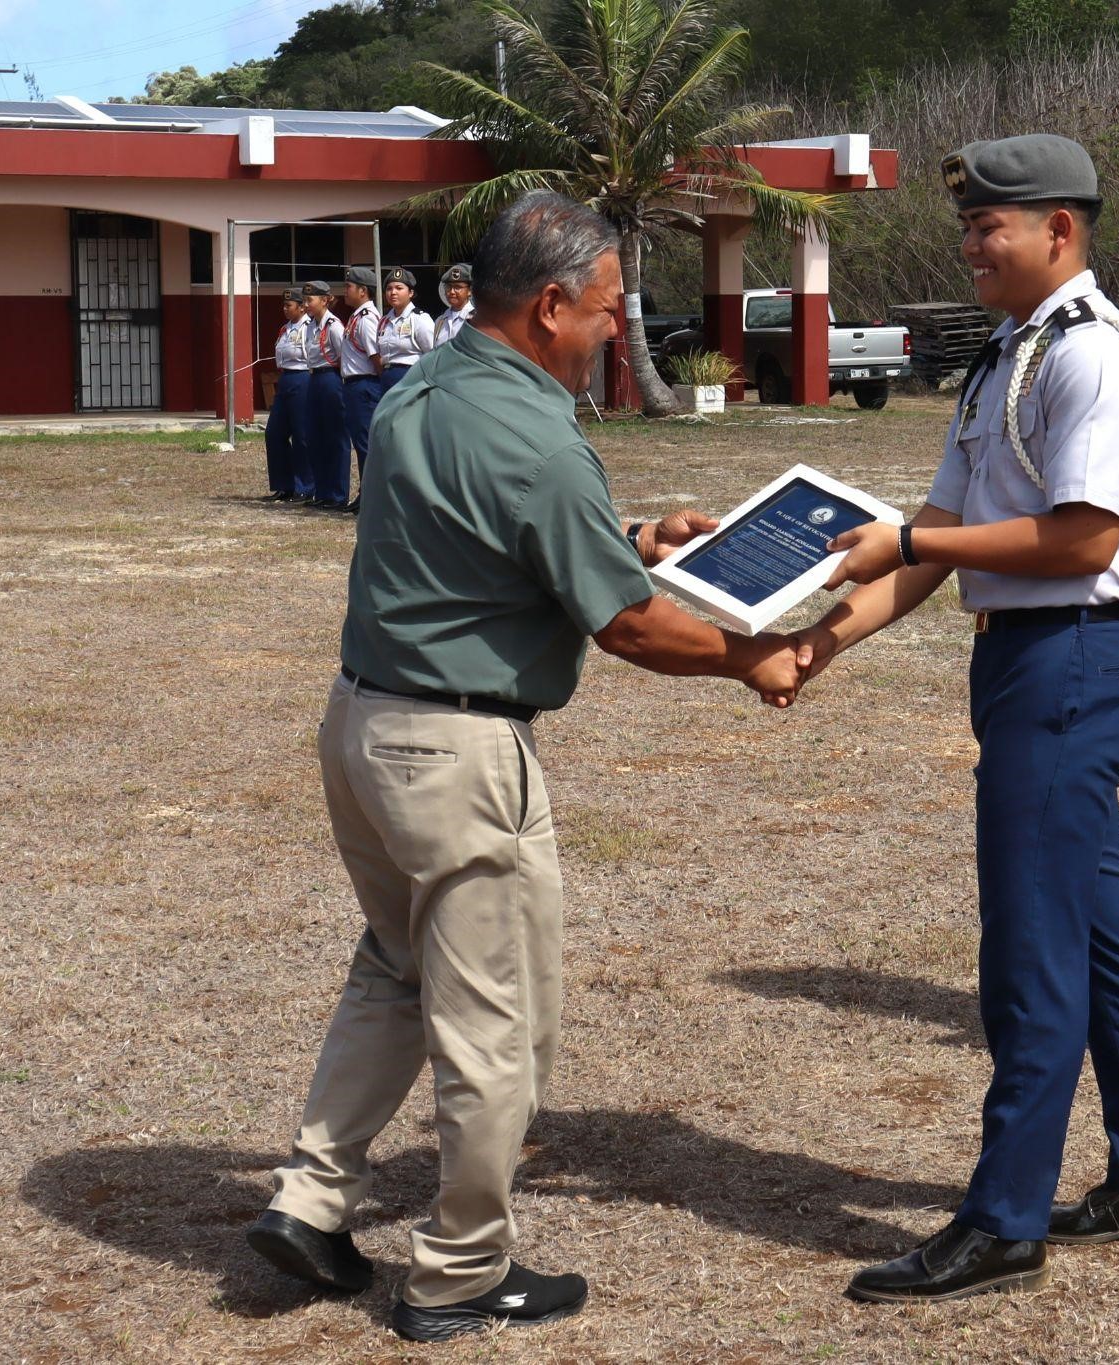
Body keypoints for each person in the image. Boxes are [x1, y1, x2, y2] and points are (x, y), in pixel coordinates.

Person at [244, 190, 813, 1344]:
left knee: (394, 970)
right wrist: (753, 656)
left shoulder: (424, 388)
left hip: (364, 725)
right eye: (606, 310)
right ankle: (458, 1270)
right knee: (493, 1021)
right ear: (551, 304)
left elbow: (480, 541)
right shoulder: (533, 429)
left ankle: (310, 1201)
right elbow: (633, 631)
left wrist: (630, 538)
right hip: (457, 752)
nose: (615, 331)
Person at [797, 134, 1119, 1305]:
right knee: (1093, 930)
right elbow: (935, 521)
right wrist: (821, 643)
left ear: (1059, 232)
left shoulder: (1089, 358)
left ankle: (1003, 1218)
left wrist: (913, 542)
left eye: (992, 226)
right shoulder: (1006, 358)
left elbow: (1078, 538)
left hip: (1070, 663)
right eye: (968, 225)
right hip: (1026, 666)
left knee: (1030, 954)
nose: (972, 244)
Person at [300, 280, 353, 512]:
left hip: (331, 379)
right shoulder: (311, 325)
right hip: (314, 379)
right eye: (304, 300)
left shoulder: (333, 326)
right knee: (314, 436)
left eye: (310, 300)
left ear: (324, 300)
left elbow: (343, 357)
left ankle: (338, 494)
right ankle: (321, 491)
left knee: (336, 437)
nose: (306, 304)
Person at [339, 267, 386, 515]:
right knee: (360, 442)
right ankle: (364, 492)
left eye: (349, 286)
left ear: (363, 291)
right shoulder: (357, 316)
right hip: (354, 385)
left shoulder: (367, 318)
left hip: (364, 385)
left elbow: (376, 358)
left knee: (366, 443)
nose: (345, 291)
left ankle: (371, 495)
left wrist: (382, 388)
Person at [263, 288, 312, 503]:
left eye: (289, 305)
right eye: (283, 305)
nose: (284, 309)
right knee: (274, 433)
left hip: (303, 378)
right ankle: (284, 485)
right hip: (286, 379)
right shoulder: (285, 329)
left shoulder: (309, 328)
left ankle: (305, 486)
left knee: (302, 435)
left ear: (302, 307)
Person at [375, 266, 435, 396]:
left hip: (410, 379)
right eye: (389, 289)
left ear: (411, 293)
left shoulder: (420, 319)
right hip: (387, 380)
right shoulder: (384, 321)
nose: (393, 292)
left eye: (399, 288)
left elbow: (433, 354)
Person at [434, 263, 475, 347]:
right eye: (448, 287)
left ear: (469, 291)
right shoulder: (440, 321)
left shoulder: (477, 319)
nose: (452, 292)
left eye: (457, 287)